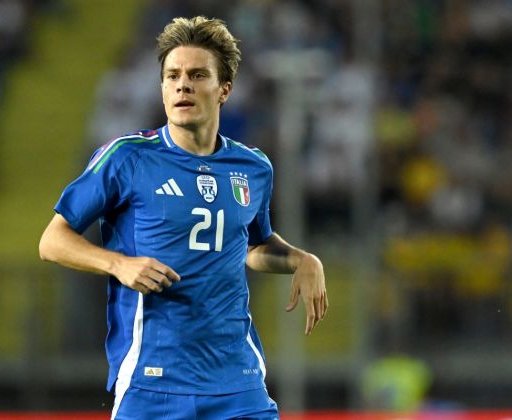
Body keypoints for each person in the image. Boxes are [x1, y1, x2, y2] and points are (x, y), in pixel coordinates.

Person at [39, 16, 328, 420]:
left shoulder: (253, 167)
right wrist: (117, 263)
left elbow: (252, 246)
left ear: (224, 89)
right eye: (172, 75)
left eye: (197, 75)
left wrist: (303, 259)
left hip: (237, 382)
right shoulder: (127, 158)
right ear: (161, 88)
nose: (182, 84)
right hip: (152, 382)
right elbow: (52, 240)